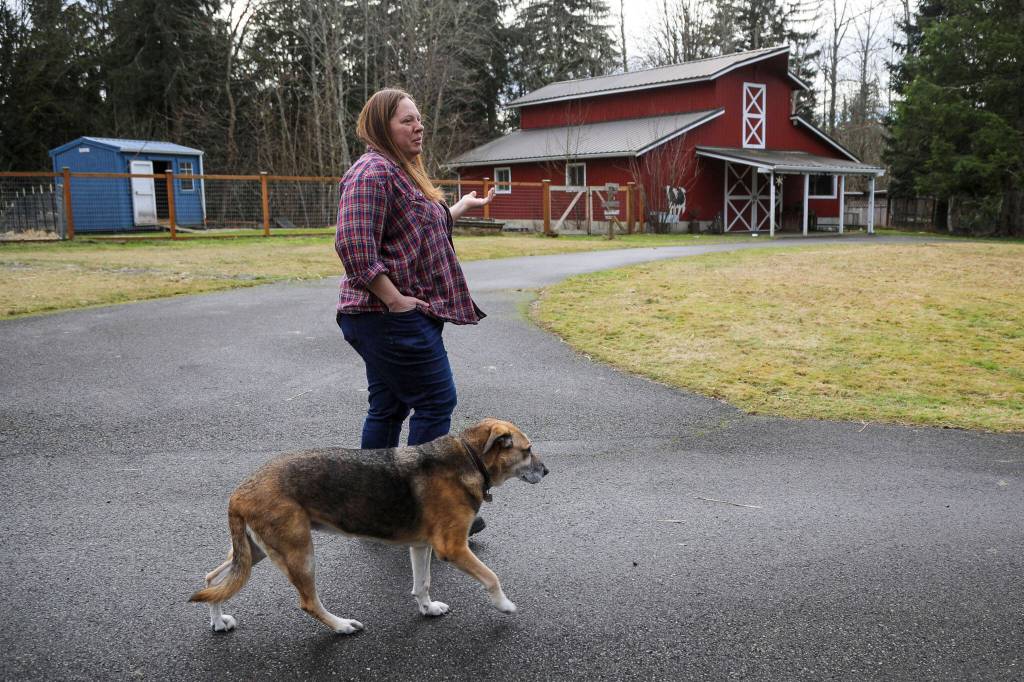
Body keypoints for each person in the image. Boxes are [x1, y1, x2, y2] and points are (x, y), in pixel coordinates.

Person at [334, 88, 494, 533]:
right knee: (436, 400)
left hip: (388, 316)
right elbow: (352, 244)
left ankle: (372, 506)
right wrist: (394, 299)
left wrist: (461, 207)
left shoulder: (402, 173)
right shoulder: (373, 171)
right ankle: (423, 509)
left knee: (388, 408)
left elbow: (419, 229)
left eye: (419, 119)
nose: (418, 126)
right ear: (381, 126)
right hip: (386, 315)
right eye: (407, 120)